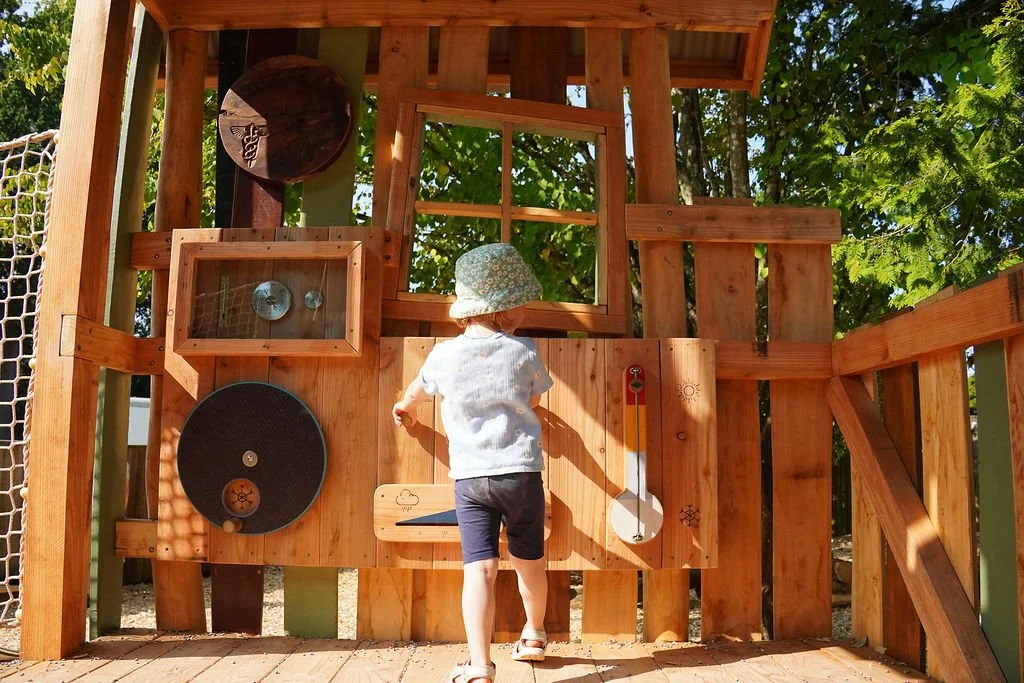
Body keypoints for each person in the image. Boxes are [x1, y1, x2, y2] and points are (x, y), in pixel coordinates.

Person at [392, 243, 552, 683]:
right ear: (506, 311)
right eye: (519, 303)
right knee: (529, 562)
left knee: (479, 568)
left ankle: (480, 665)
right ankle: (535, 633)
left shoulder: (443, 356)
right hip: (520, 473)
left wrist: (404, 409)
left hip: (471, 478)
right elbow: (534, 398)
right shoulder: (524, 352)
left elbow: (415, 394)